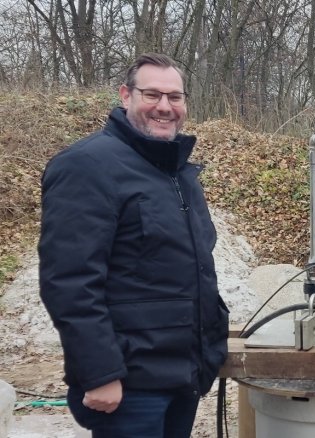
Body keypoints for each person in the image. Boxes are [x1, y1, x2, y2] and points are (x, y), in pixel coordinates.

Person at [38, 53, 228, 438]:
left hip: (182, 375)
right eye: (152, 94)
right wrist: (99, 373)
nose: (164, 107)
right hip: (129, 385)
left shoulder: (179, 174)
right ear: (126, 96)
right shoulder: (87, 167)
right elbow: (71, 282)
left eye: (175, 97)